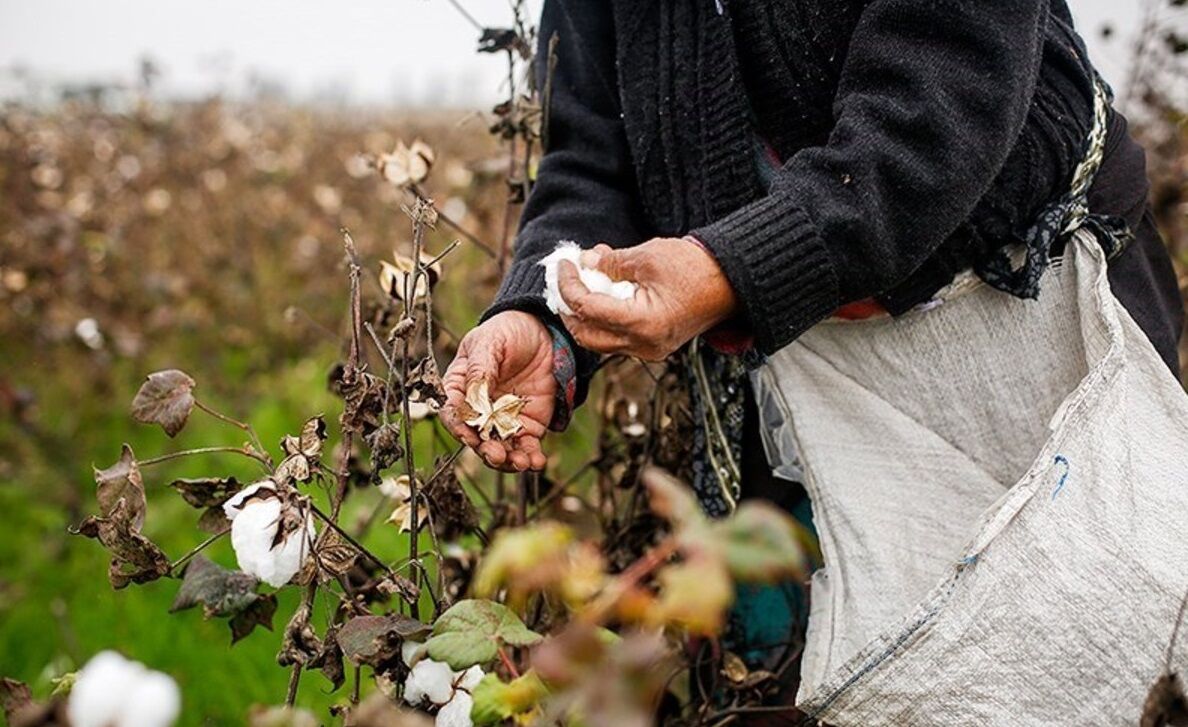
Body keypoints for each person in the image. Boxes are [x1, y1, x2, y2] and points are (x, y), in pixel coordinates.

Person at [440, 0, 1183, 715]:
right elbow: (595, 159)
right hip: (786, 379)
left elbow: (945, 95)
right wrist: (547, 314)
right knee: (808, 681)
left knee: (1104, 649)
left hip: (1016, 313)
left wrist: (728, 269)